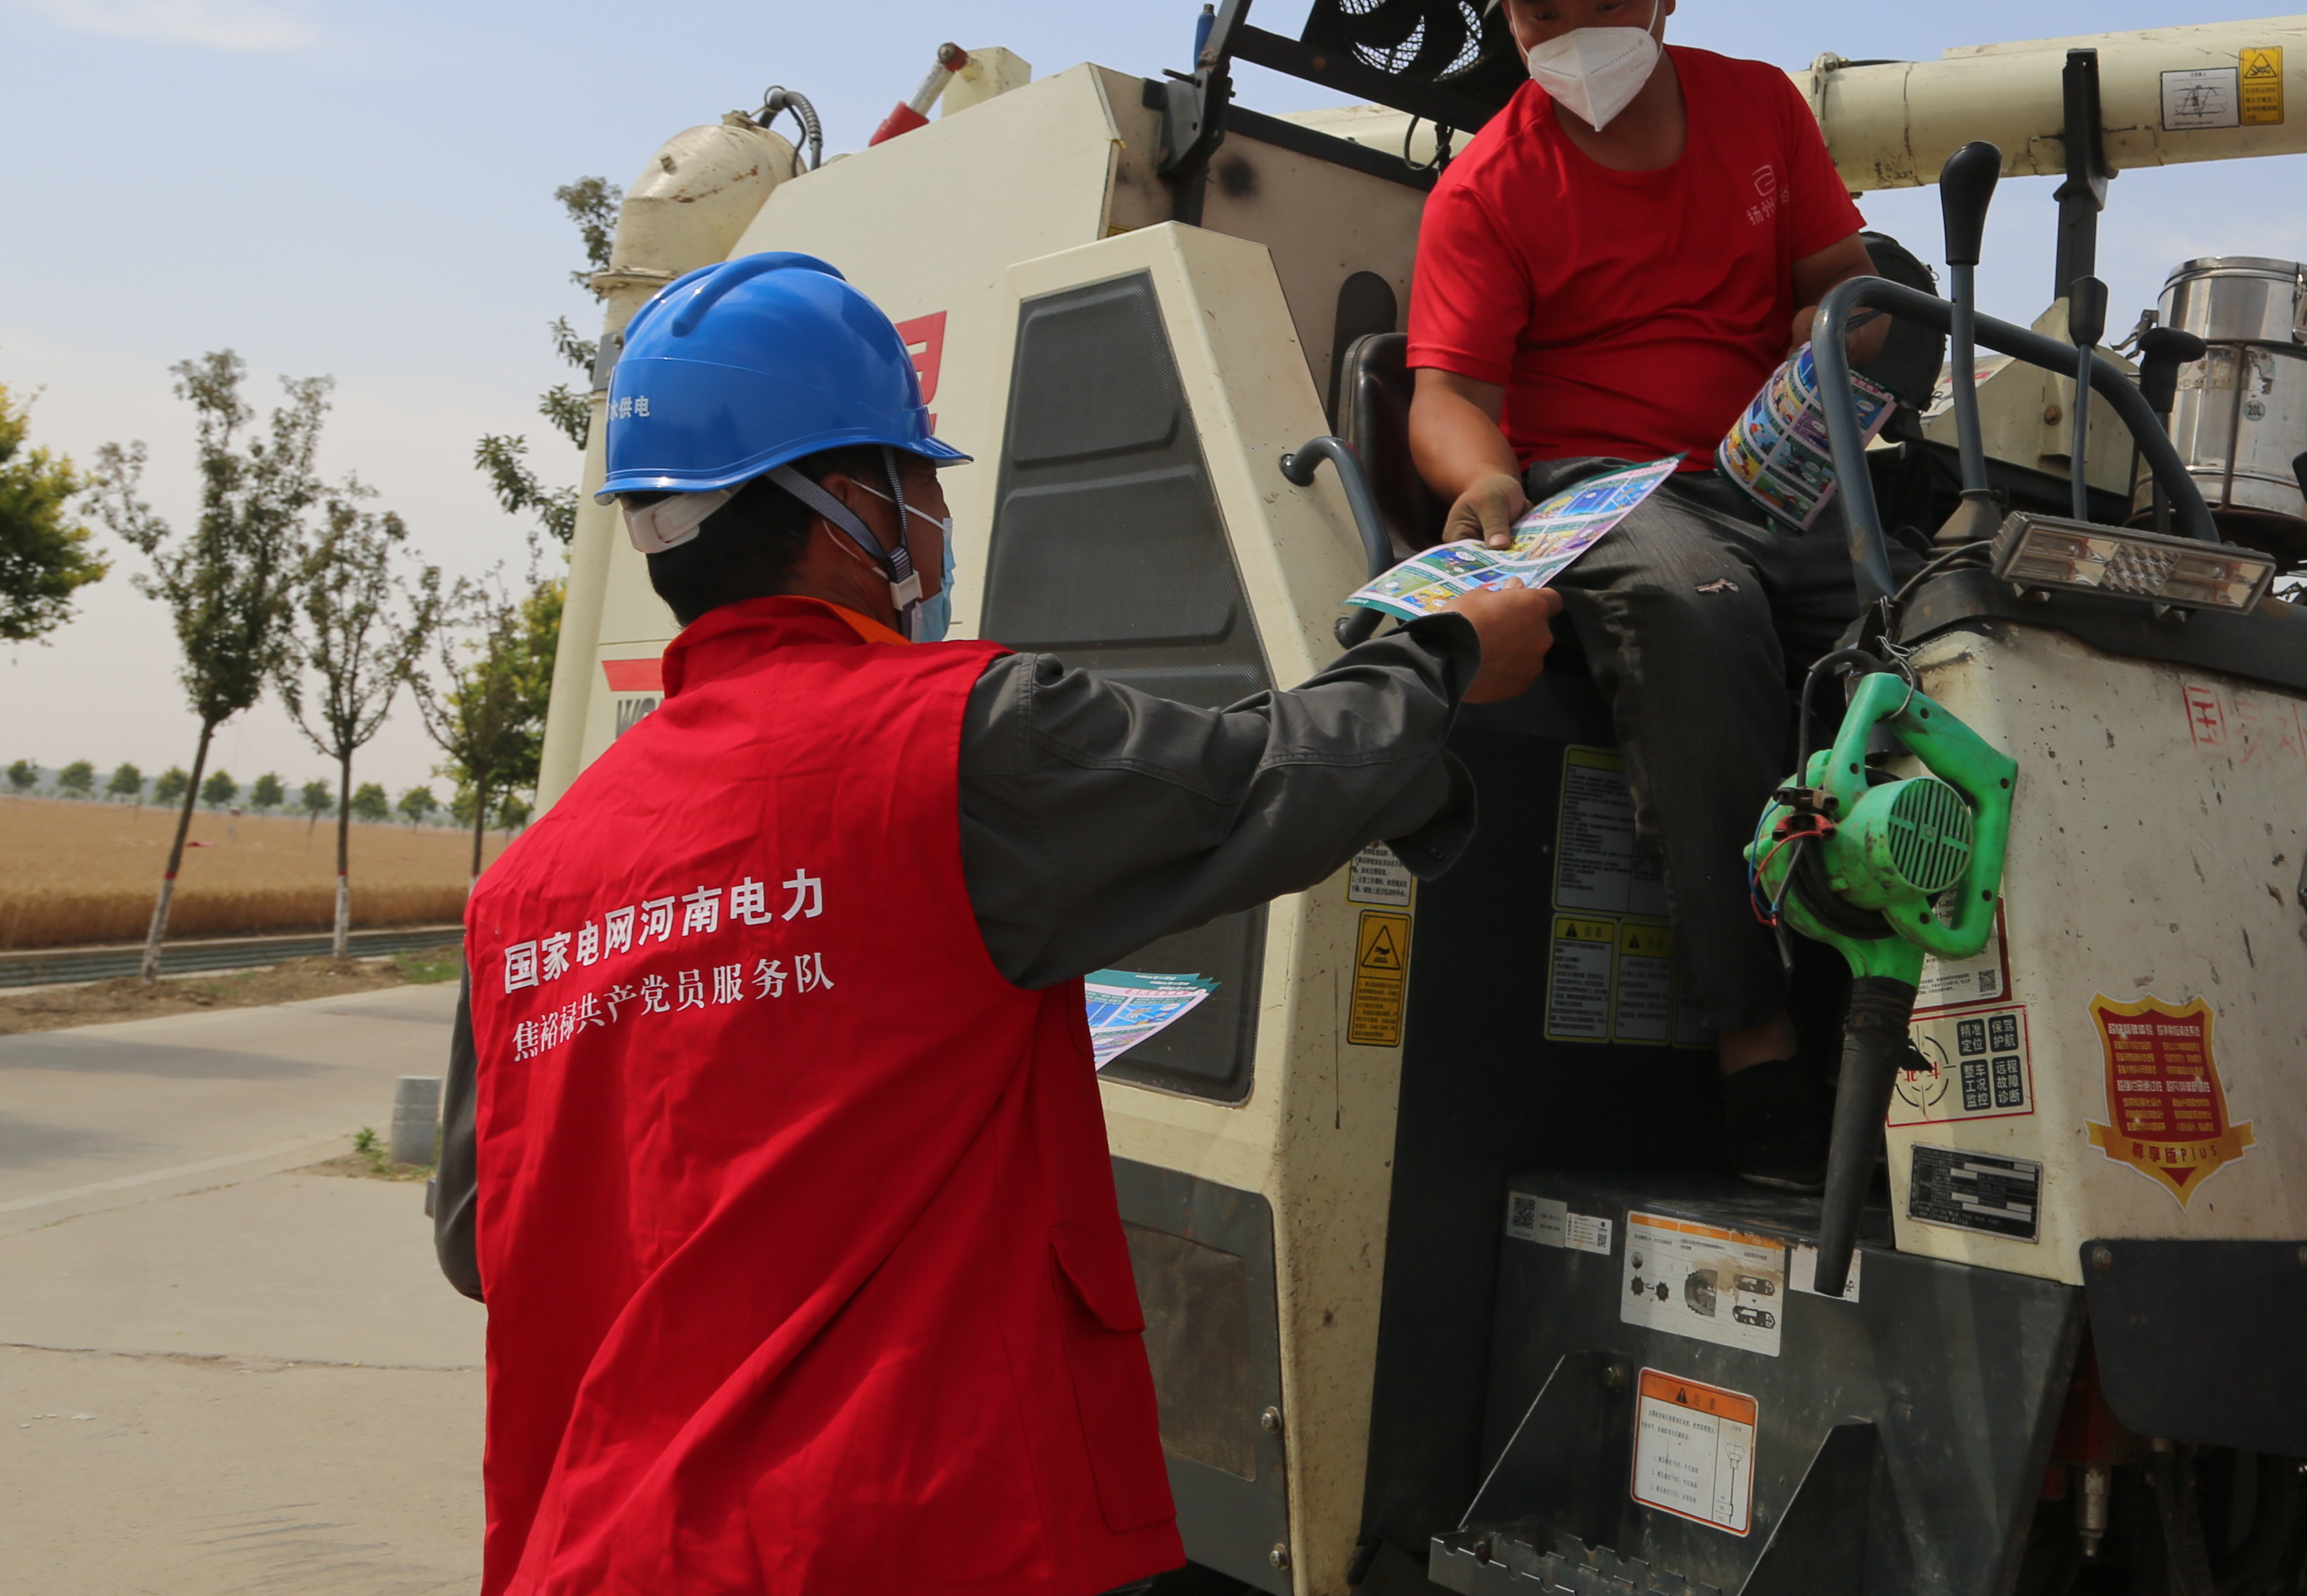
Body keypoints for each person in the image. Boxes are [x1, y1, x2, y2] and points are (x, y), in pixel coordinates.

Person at [431, 250, 1555, 1596]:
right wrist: (1445, 660)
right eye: (921, 481)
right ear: (852, 506)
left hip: (601, 1554)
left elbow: (479, 1236)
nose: (936, 519)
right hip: (887, 1541)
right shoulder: (960, 742)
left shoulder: (526, 887)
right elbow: (1259, 781)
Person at [1406, 0, 1878, 1185]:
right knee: (1694, 609)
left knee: (1923, 638)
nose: (1570, 32)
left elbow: (1839, 283)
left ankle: (1902, 1014)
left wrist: (1830, 335)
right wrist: (1485, 481)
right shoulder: (1487, 188)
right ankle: (1757, 1046)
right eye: (1537, 10)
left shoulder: (1759, 106)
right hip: (1602, 486)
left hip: (1774, 470)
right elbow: (1448, 394)